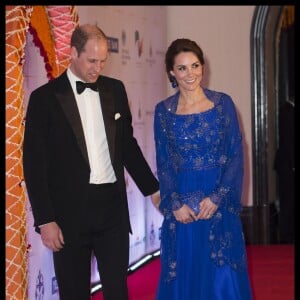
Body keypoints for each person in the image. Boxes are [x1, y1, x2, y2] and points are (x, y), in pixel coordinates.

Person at [23, 23, 159, 300]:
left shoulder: (115, 90)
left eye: (103, 61)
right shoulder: (44, 99)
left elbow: (128, 147)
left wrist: (152, 189)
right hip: (68, 215)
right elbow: (35, 165)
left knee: (118, 292)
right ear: (73, 53)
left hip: (112, 211)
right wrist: (45, 219)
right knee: (73, 293)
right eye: (91, 60)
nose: (98, 68)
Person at [153, 38, 253, 299]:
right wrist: (174, 203)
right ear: (172, 73)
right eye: (182, 68)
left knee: (223, 276)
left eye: (195, 65)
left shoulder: (223, 105)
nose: (190, 74)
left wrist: (218, 197)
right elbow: (163, 162)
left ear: (203, 67)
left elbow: (235, 154)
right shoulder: (163, 112)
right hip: (182, 206)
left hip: (218, 200)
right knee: (186, 275)